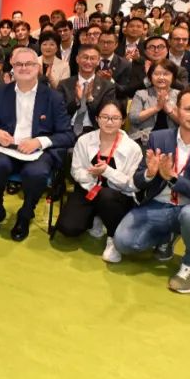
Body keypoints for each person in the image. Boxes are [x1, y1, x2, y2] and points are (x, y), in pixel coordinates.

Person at [114, 88, 190, 294]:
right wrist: (150, 174)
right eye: (188, 109)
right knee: (124, 243)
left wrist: (173, 178)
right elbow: (138, 179)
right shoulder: (158, 138)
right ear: (177, 110)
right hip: (158, 205)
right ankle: (167, 236)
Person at [0, 47, 74, 242]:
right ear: (12, 67)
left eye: (29, 64)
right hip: (8, 148)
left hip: (38, 152)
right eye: (19, 64)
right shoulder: (0, 93)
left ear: (37, 67)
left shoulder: (53, 97)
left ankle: (25, 214)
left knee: (36, 173)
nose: (24, 68)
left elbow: (67, 135)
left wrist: (39, 141)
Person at [56, 100, 142, 263]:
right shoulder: (84, 140)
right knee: (68, 228)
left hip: (116, 196)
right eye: (105, 117)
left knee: (106, 196)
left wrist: (107, 171)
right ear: (97, 118)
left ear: (123, 120)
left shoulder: (133, 148)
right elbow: (76, 170)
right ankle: (95, 217)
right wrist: (91, 177)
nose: (109, 122)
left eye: (115, 118)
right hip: (88, 189)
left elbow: (132, 184)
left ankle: (113, 237)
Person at [56, 45, 115, 136]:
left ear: (98, 61)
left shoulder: (107, 87)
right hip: (68, 130)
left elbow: (105, 115)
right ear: (77, 59)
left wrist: (90, 99)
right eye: (85, 57)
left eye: (92, 58)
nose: (88, 62)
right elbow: (59, 113)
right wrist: (77, 101)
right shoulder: (64, 84)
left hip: (94, 131)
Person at [129, 60, 181, 144]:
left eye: (166, 74)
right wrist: (157, 108)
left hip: (172, 140)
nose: (161, 77)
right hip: (143, 139)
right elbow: (133, 118)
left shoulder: (180, 95)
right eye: (156, 74)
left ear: (173, 76)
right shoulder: (141, 94)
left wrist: (169, 110)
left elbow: (185, 122)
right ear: (150, 76)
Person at [95, 30, 133, 97]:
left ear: (116, 45)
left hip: (115, 99)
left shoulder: (125, 64)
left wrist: (110, 80)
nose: (105, 45)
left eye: (109, 42)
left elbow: (124, 91)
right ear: (97, 43)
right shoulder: (89, 61)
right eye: (102, 42)